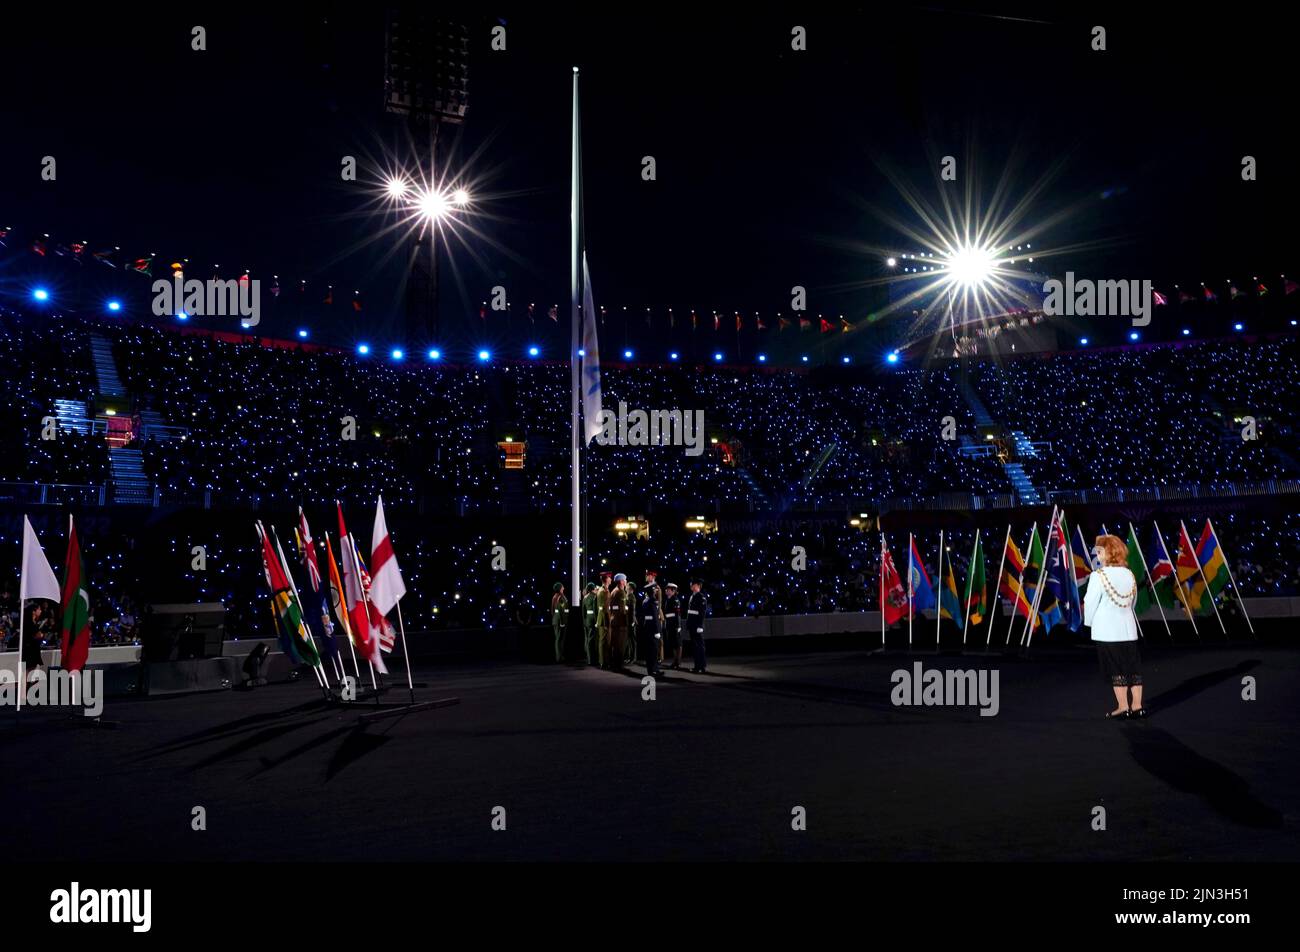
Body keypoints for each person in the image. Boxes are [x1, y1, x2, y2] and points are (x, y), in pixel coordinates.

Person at [1083, 534, 1146, 719]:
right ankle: (1137, 706)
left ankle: (1122, 706)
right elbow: (1132, 602)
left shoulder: (1098, 575)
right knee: (1133, 669)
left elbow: (1090, 602)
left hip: (1106, 631)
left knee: (1115, 669)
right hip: (1128, 629)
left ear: (1109, 552)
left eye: (1100, 551)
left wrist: (1089, 622)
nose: (1098, 554)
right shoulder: (1129, 573)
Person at [608, 573, 634, 670]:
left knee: (615, 644)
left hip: (614, 621)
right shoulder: (621, 592)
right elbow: (623, 609)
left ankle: (614, 664)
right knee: (620, 645)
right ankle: (618, 665)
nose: (626, 581)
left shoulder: (613, 591)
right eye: (625, 580)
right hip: (621, 622)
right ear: (622, 581)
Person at [686, 579, 710, 672]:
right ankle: (697, 666)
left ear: (698, 586)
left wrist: (700, 626)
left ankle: (702, 666)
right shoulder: (692, 596)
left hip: (697, 625)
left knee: (699, 646)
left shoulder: (701, 597)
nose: (691, 585)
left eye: (693, 584)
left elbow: (702, 613)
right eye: (691, 584)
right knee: (695, 647)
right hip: (692, 625)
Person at [639, 583, 662, 676]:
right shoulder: (652, 601)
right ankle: (654, 670)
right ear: (652, 591)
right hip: (653, 629)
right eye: (654, 589)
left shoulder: (645, 601)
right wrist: (657, 630)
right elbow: (655, 617)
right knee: (654, 650)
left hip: (648, 628)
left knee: (650, 650)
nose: (656, 591)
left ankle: (652, 669)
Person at [644, 570, 665, 662]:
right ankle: (652, 656)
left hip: (656, 614)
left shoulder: (657, 587)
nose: (646, 576)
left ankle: (660, 657)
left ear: (652, 577)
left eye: (648, 575)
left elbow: (659, 603)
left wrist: (658, 616)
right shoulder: (648, 587)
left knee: (658, 637)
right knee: (651, 637)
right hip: (650, 614)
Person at [662, 582, 683, 670]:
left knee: (677, 644)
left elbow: (677, 614)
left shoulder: (675, 600)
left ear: (673, 591)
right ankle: (675, 661)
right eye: (666, 589)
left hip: (674, 625)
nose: (666, 591)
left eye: (668, 589)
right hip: (670, 625)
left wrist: (678, 626)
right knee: (673, 644)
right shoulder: (668, 599)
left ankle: (677, 662)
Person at [595, 572, 613, 669]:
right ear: (605, 579)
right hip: (604, 619)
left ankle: (604, 661)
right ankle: (603, 662)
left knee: (605, 641)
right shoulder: (603, 591)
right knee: (603, 642)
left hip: (604, 618)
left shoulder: (604, 590)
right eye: (609, 578)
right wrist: (607, 622)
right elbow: (604, 609)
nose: (611, 579)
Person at [581, 582, 599, 666]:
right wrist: (596, 621)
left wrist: (584, 621)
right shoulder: (594, 597)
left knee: (587, 639)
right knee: (591, 640)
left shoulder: (585, 597)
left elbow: (583, 611)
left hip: (587, 620)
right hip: (592, 620)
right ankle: (591, 660)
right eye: (595, 588)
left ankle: (588, 658)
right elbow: (595, 611)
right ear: (592, 589)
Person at [551, 582, 569, 663]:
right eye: (562, 587)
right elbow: (562, 609)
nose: (563, 588)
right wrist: (562, 621)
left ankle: (560, 656)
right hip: (560, 620)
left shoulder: (555, 597)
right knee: (559, 639)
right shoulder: (560, 597)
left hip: (556, 619)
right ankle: (559, 657)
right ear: (559, 589)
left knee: (559, 639)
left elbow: (552, 610)